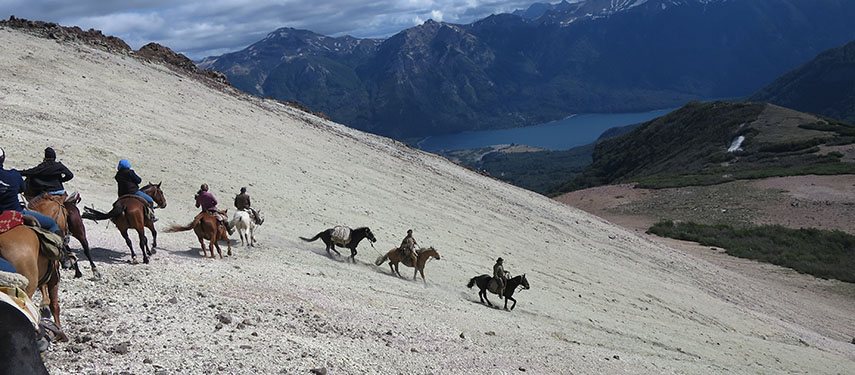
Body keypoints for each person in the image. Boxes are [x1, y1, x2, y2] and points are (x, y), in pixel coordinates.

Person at [0, 147, 62, 235]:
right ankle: (59, 248)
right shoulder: (13, 175)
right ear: (3, 159)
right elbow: (22, 189)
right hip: (16, 212)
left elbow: (32, 172)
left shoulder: (42, 166)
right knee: (51, 223)